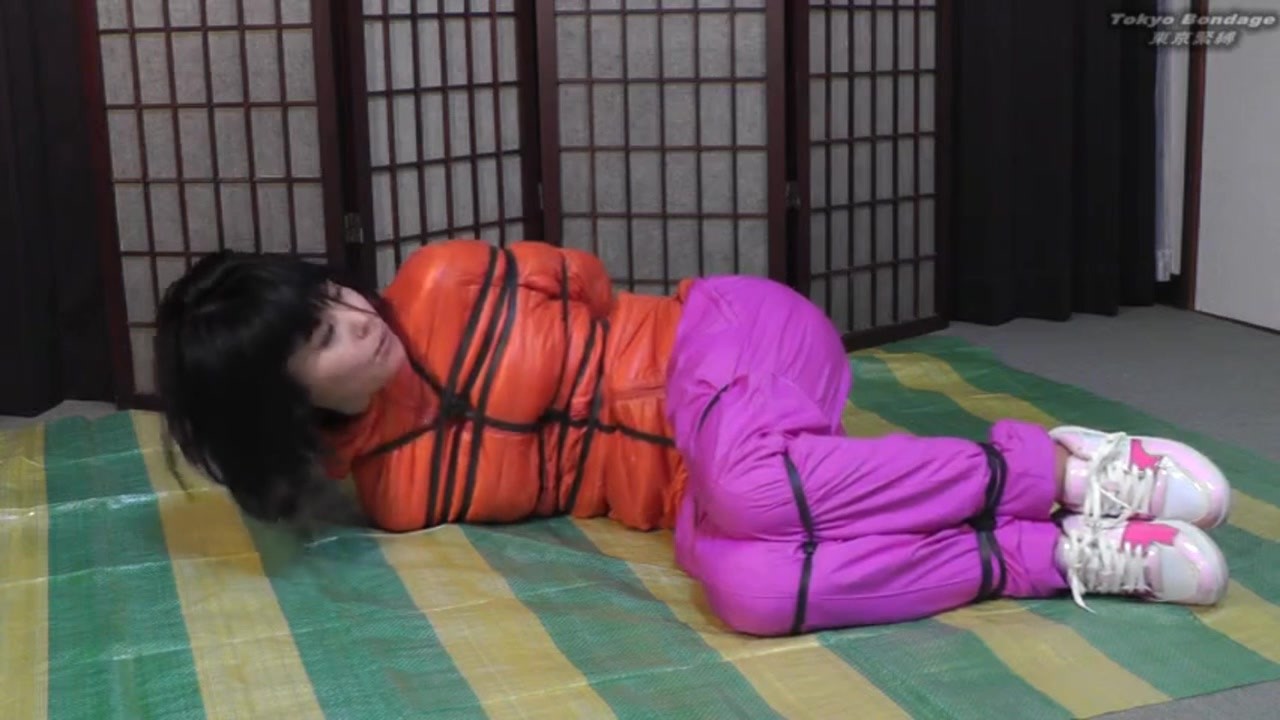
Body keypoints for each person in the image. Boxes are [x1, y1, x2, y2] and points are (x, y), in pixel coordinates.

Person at [155, 238, 1232, 636]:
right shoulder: (393, 493)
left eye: (331, 294)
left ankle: (1059, 466)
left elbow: (588, 284)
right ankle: (1048, 555)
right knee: (751, 592)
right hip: (700, 488)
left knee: (756, 489)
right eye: (320, 336)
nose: (355, 315)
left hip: (728, 341)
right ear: (281, 397)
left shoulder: (444, 280)